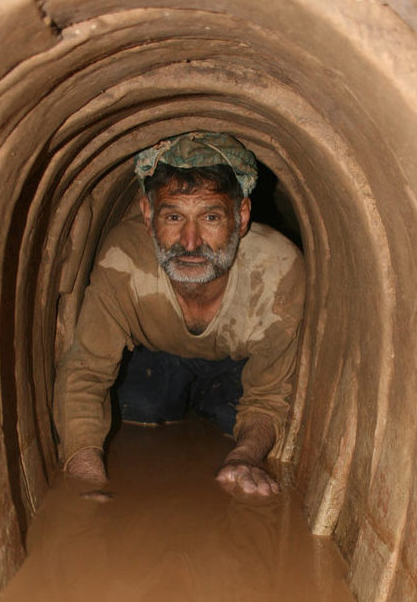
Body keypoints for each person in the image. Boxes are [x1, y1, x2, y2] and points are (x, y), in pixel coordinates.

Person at [53, 132, 305, 496]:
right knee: (138, 409)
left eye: (211, 216)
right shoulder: (123, 260)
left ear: (242, 216)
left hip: (235, 367)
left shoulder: (279, 272)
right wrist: (86, 477)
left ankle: (209, 403)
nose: (190, 241)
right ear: (147, 214)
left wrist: (245, 457)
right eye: (173, 216)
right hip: (156, 357)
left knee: (228, 422)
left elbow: (269, 396)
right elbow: (85, 372)